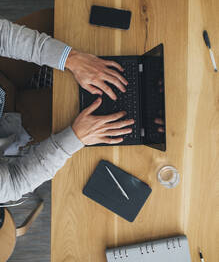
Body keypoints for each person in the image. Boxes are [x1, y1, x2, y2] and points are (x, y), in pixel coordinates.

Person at [0, 18, 135, 203]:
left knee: (59, 22)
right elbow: (15, 183)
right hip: (10, 125)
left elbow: (3, 36)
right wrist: (75, 137)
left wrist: (70, 58)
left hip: (3, 76)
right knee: (81, 111)